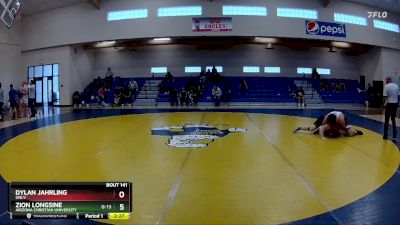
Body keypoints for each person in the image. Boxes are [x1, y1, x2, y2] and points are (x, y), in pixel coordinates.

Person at [293, 111, 363, 140]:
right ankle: (300, 128)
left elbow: (346, 129)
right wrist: (322, 137)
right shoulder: (326, 121)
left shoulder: (341, 121)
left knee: (349, 134)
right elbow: (321, 127)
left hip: (340, 119)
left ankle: (356, 131)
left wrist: (348, 131)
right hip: (324, 118)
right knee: (312, 128)